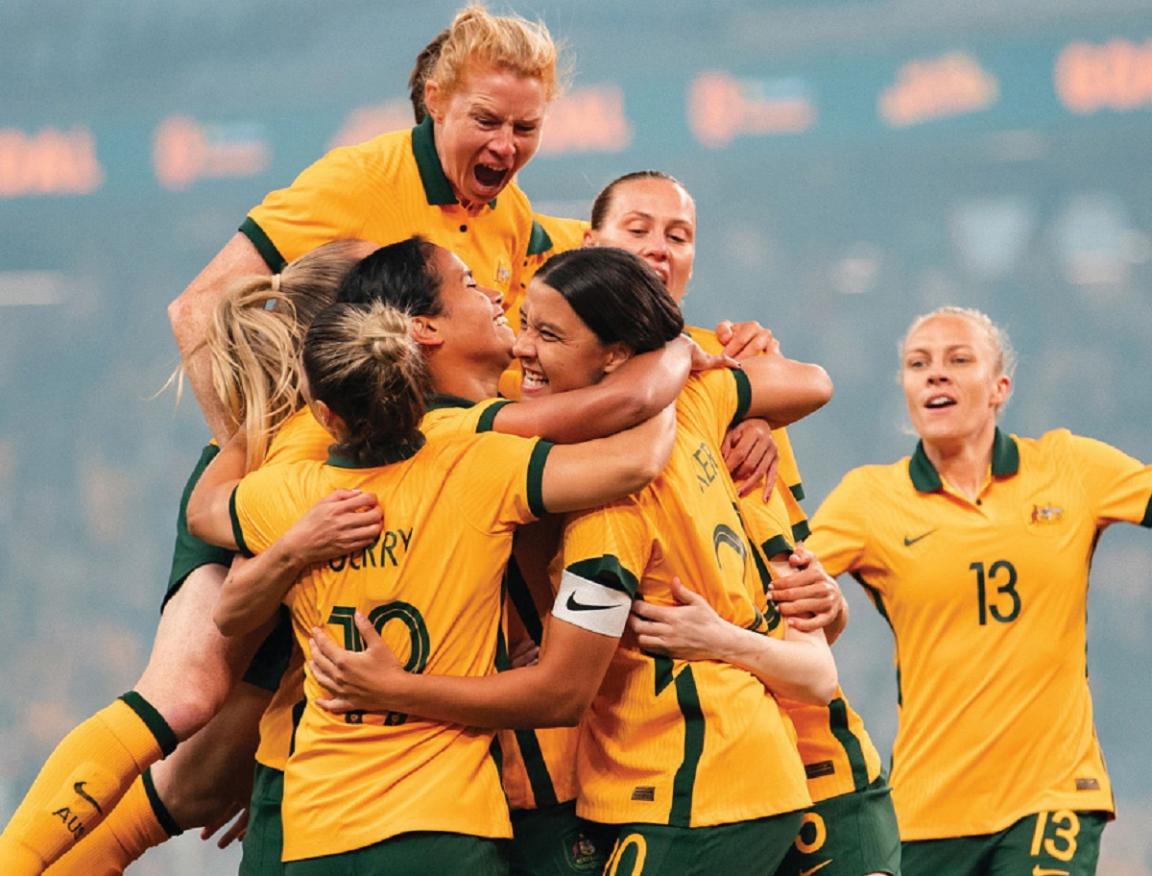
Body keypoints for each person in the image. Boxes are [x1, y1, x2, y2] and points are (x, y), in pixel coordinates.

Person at [185, 236, 730, 876]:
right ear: (420, 331)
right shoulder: (473, 454)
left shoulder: (294, 487)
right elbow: (634, 440)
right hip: (466, 810)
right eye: (470, 282)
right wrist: (668, 353)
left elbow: (213, 543)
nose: (498, 296)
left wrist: (271, 468)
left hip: (321, 821)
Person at [307, 246, 839, 875]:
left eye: (548, 333)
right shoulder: (669, 404)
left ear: (615, 354)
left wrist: (395, 688)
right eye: (482, 292)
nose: (521, 340)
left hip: (684, 780)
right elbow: (802, 383)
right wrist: (679, 361)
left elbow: (562, 686)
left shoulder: (602, 502)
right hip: (675, 772)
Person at [0, 241, 377, 875]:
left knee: (196, 787)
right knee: (183, 696)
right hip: (253, 499)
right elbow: (191, 311)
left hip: (275, 521)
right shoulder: (301, 443)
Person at [584, 170, 901, 876]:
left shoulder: (734, 380)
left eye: (678, 236)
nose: (659, 248)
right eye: (637, 229)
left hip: (804, 764)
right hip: (663, 777)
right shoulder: (549, 377)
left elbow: (798, 600)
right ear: (588, 243)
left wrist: (828, 605)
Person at [805, 306, 1152, 875]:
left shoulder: (1068, 466)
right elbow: (782, 589)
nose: (935, 374)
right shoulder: (869, 500)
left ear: (999, 388)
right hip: (926, 810)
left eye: (959, 359)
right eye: (918, 364)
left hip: (1053, 793)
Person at [170, 4, 564, 444]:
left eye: (525, 128)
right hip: (320, 469)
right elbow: (195, 309)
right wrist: (246, 456)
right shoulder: (357, 181)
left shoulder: (512, 209)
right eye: (485, 121)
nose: (506, 146)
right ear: (435, 101)